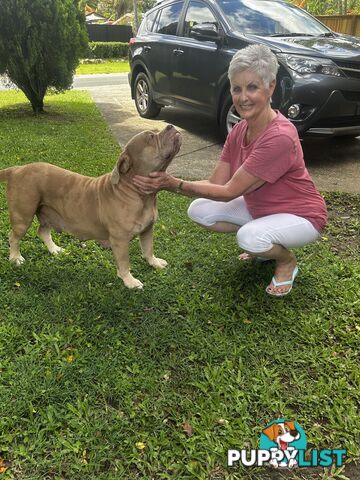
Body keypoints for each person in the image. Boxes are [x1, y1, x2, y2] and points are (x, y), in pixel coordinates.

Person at [133, 44, 328, 297]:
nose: (243, 97)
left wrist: (172, 183)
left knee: (249, 238)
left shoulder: (279, 137)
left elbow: (228, 192)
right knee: (200, 209)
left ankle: (285, 260)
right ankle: (265, 243)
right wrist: (172, 183)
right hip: (262, 209)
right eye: (237, 88)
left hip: (302, 216)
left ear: (271, 87)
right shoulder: (239, 130)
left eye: (252, 87)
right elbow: (217, 182)